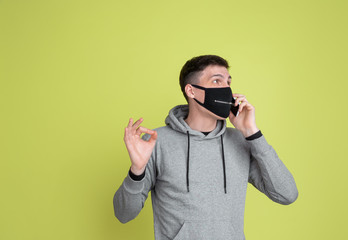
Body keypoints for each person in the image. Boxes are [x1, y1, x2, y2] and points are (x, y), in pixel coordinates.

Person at [113, 55, 298, 240]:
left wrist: (252, 133)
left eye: (228, 82)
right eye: (217, 81)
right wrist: (136, 171)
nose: (226, 89)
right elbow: (124, 214)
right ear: (191, 91)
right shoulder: (156, 141)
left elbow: (287, 194)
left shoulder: (240, 141)